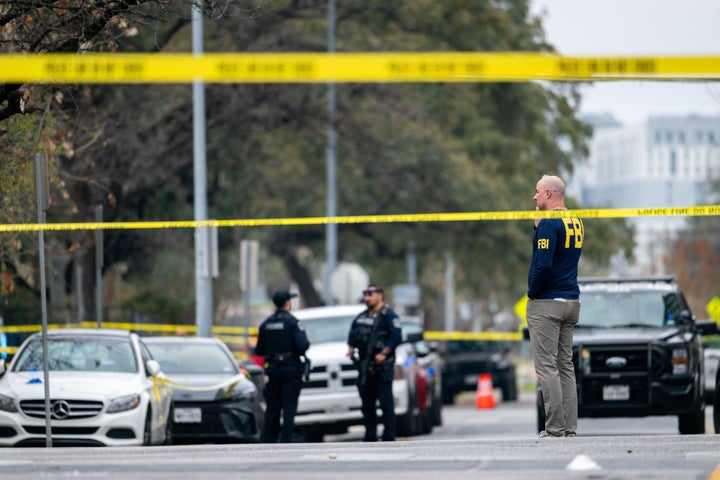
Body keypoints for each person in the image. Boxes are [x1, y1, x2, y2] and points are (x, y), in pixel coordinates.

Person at [527, 174, 584, 438]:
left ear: (549, 194)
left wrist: (532, 292)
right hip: (571, 300)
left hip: (548, 302)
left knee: (547, 367)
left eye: (538, 192)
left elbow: (543, 263)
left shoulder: (550, 222)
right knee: (565, 366)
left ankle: (554, 429)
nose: (534, 197)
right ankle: (569, 428)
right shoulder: (576, 220)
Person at [347, 284, 402, 442]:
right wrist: (351, 348)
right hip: (365, 366)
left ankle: (389, 436)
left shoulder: (388, 315)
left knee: (386, 403)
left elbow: (396, 337)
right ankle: (370, 435)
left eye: (370, 294)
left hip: (382, 367)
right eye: (365, 294)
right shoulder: (361, 317)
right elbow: (353, 334)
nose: (367, 298)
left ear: (380, 295)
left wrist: (384, 353)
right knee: (367, 405)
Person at [254, 290, 310, 443]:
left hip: (273, 370)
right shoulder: (293, 323)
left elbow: (259, 350)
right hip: (290, 370)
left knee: (273, 406)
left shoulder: (266, 324)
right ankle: (286, 439)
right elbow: (303, 346)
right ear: (287, 303)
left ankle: (269, 440)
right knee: (289, 406)